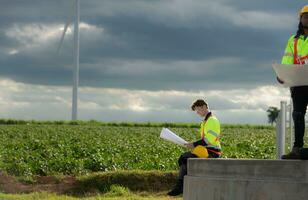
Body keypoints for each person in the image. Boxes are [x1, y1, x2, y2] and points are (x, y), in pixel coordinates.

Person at [167, 99, 221, 196]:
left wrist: (194, 145)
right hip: (207, 150)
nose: (197, 113)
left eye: (198, 110)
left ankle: (180, 187)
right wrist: (194, 146)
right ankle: (181, 186)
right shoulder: (206, 121)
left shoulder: (212, 120)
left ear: (204, 107)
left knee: (184, 158)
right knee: (183, 158)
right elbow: (206, 141)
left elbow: (208, 140)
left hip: (212, 152)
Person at [279, 5, 308, 159]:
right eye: (305, 16)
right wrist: (282, 74)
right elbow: (287, 61)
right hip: (299, 83)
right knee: (297, 115)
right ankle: (297, 148)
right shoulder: (293, 40)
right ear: (300, 19)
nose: (307, 18)